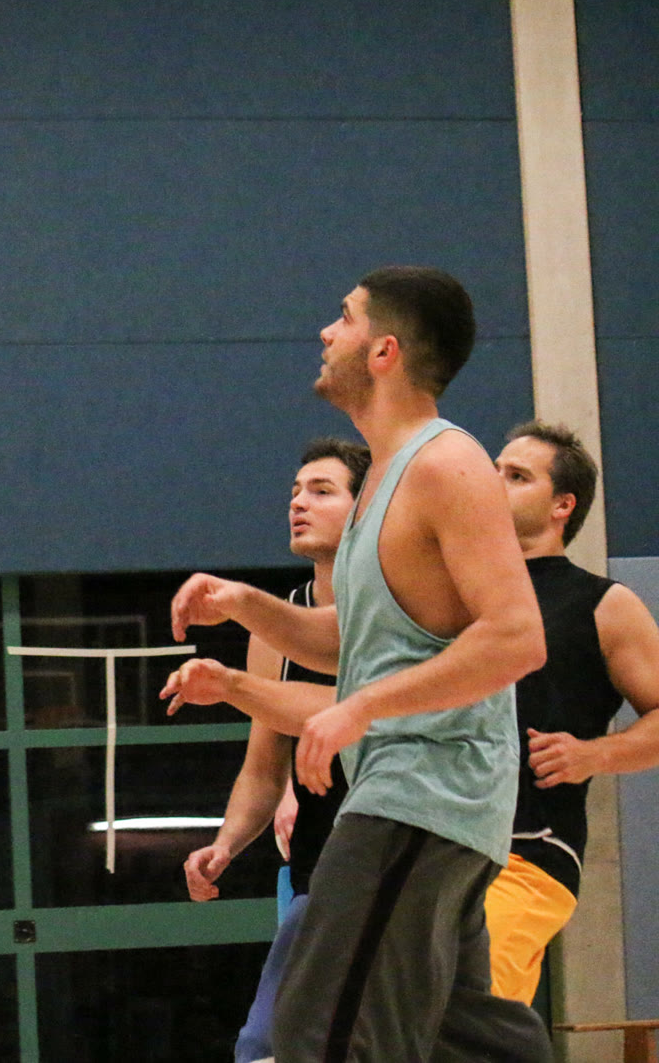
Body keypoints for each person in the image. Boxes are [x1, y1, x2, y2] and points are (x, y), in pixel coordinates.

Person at [170, 266, 553, 1062]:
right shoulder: (384, 475)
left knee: (321, 1030)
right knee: (461, 1038)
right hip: (425, 806)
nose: (325, 331)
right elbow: (355, 638)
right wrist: (244, 604)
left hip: (423, 795)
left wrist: (361, 707)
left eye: (343, 317)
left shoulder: (448, 463)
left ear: (384, 351)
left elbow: (518, 637)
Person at [159, 437, 368, 1063]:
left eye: (322, 491)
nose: (298, 503)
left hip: (394, 862)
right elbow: (262, 765)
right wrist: (225, 845)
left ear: (368, 508)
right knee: (274, 1044)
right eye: (295, 492)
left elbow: (360, 711)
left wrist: (230, 685)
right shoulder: (276, 628)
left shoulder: (400, 612)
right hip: (315, 869)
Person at [486, 422, 659, 1004]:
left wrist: (594, 754)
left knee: (465, 996)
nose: (493, 483)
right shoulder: (452, 592)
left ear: (563, 505)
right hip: (440, 845)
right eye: (493, 470)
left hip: (530, 848)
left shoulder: (604, 603)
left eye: (516, 476)